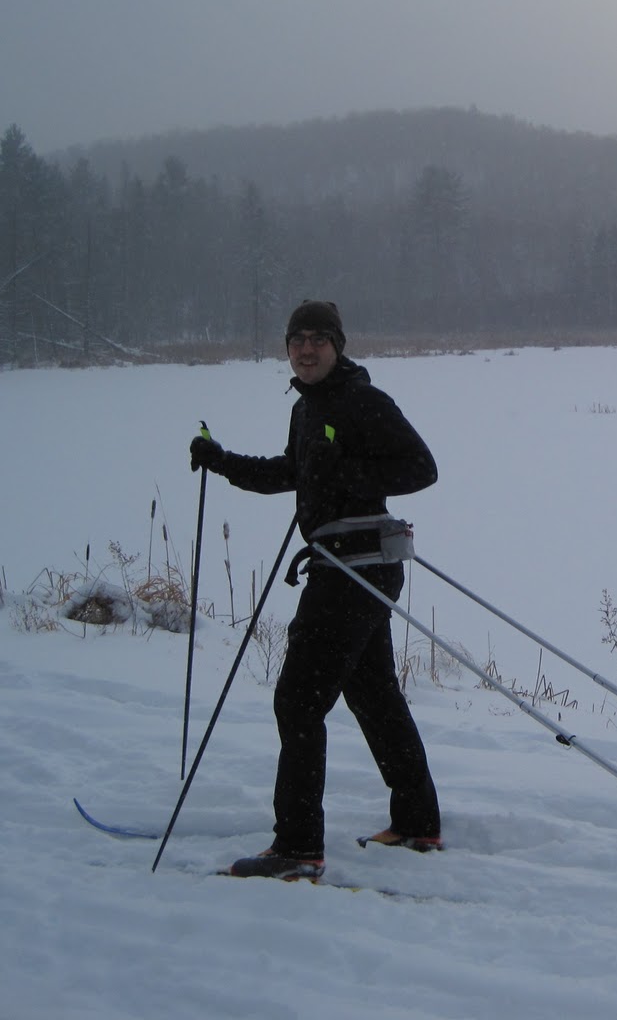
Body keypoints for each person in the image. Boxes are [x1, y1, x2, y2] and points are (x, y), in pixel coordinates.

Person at [189, 300, 441, 880]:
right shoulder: (309, 410)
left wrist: (346, 470)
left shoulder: (362, 400)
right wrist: (221, 461)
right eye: (297, 340)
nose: (307, 350)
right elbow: (292, 473)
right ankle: (417, 822)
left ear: (338, 345)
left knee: (298, 701)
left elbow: (421, 468)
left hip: (358, 568)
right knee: (372, 695)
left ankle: (298, 848)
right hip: (343, 565)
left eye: (318, 339)